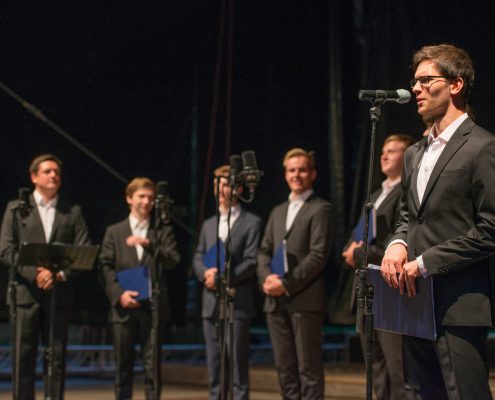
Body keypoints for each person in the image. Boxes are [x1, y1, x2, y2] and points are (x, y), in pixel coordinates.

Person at [380, 44, 495, 399]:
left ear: (455, 84)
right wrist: (397, 243)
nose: (416, 89)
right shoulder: (414, 153)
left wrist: (425, 263)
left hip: (458, 306)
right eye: (414, 81)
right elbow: (408, 216)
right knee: (419, 393)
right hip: (413, 303)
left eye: (426, 80)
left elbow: (490, 229)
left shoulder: (482, 146)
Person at [0, 154, 91, 400]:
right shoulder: (17, 209)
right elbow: (6, 251)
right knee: (23, 357)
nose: (53, 176)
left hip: (58, 295)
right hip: (25, 295)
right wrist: (36, 274)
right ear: (34, 177)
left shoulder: (72, 211)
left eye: (57, 172)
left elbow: (83, 252)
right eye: (48, 171)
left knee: (56, 357)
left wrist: (57, 274)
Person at [342, 134, 414, 400]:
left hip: (391, 291)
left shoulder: (406, 192)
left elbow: (395, 243)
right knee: (376, 370)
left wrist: (356, 252)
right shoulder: (375, 195)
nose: (384, 155)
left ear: (407, 156)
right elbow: (356, 236)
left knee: (398, 369)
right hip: (368, 291)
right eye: (383, 150)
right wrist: (352, 249)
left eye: (392, 151)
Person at [257, 148, 332, 399]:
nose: (296, 175)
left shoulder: (321, 209)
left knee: (308, 369)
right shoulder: (277, 211)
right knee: (285, 368)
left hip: (304, 299)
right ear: (285, 174)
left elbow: (318, 255)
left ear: (313, 174)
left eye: (302, 170)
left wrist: (286, 284)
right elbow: (264, 251)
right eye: (291, 170)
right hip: (274, 300)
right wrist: (266, 278)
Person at [100, 177, 180, 400]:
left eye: (150, 198)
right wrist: (119, 294)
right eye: (141, 196)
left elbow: (173, 260)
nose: (146, 202)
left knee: (152, 366)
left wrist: (149, 245)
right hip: (123, 308)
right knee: (123, 366)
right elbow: (105, 266)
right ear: (129, 199)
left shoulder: (161, 230)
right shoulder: (115, 231)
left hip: (153, 308)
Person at [192, 165, 262, 400]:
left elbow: (251, 261)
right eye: (218, 184)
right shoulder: (209, 224)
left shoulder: (252, 222)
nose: (221, 189)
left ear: (238, 188)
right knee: (215, 365)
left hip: (237, 302)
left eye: (226, 184)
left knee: (237, 366)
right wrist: (205, 274)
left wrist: (223, 278)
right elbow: (198, 256)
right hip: (211, 303)